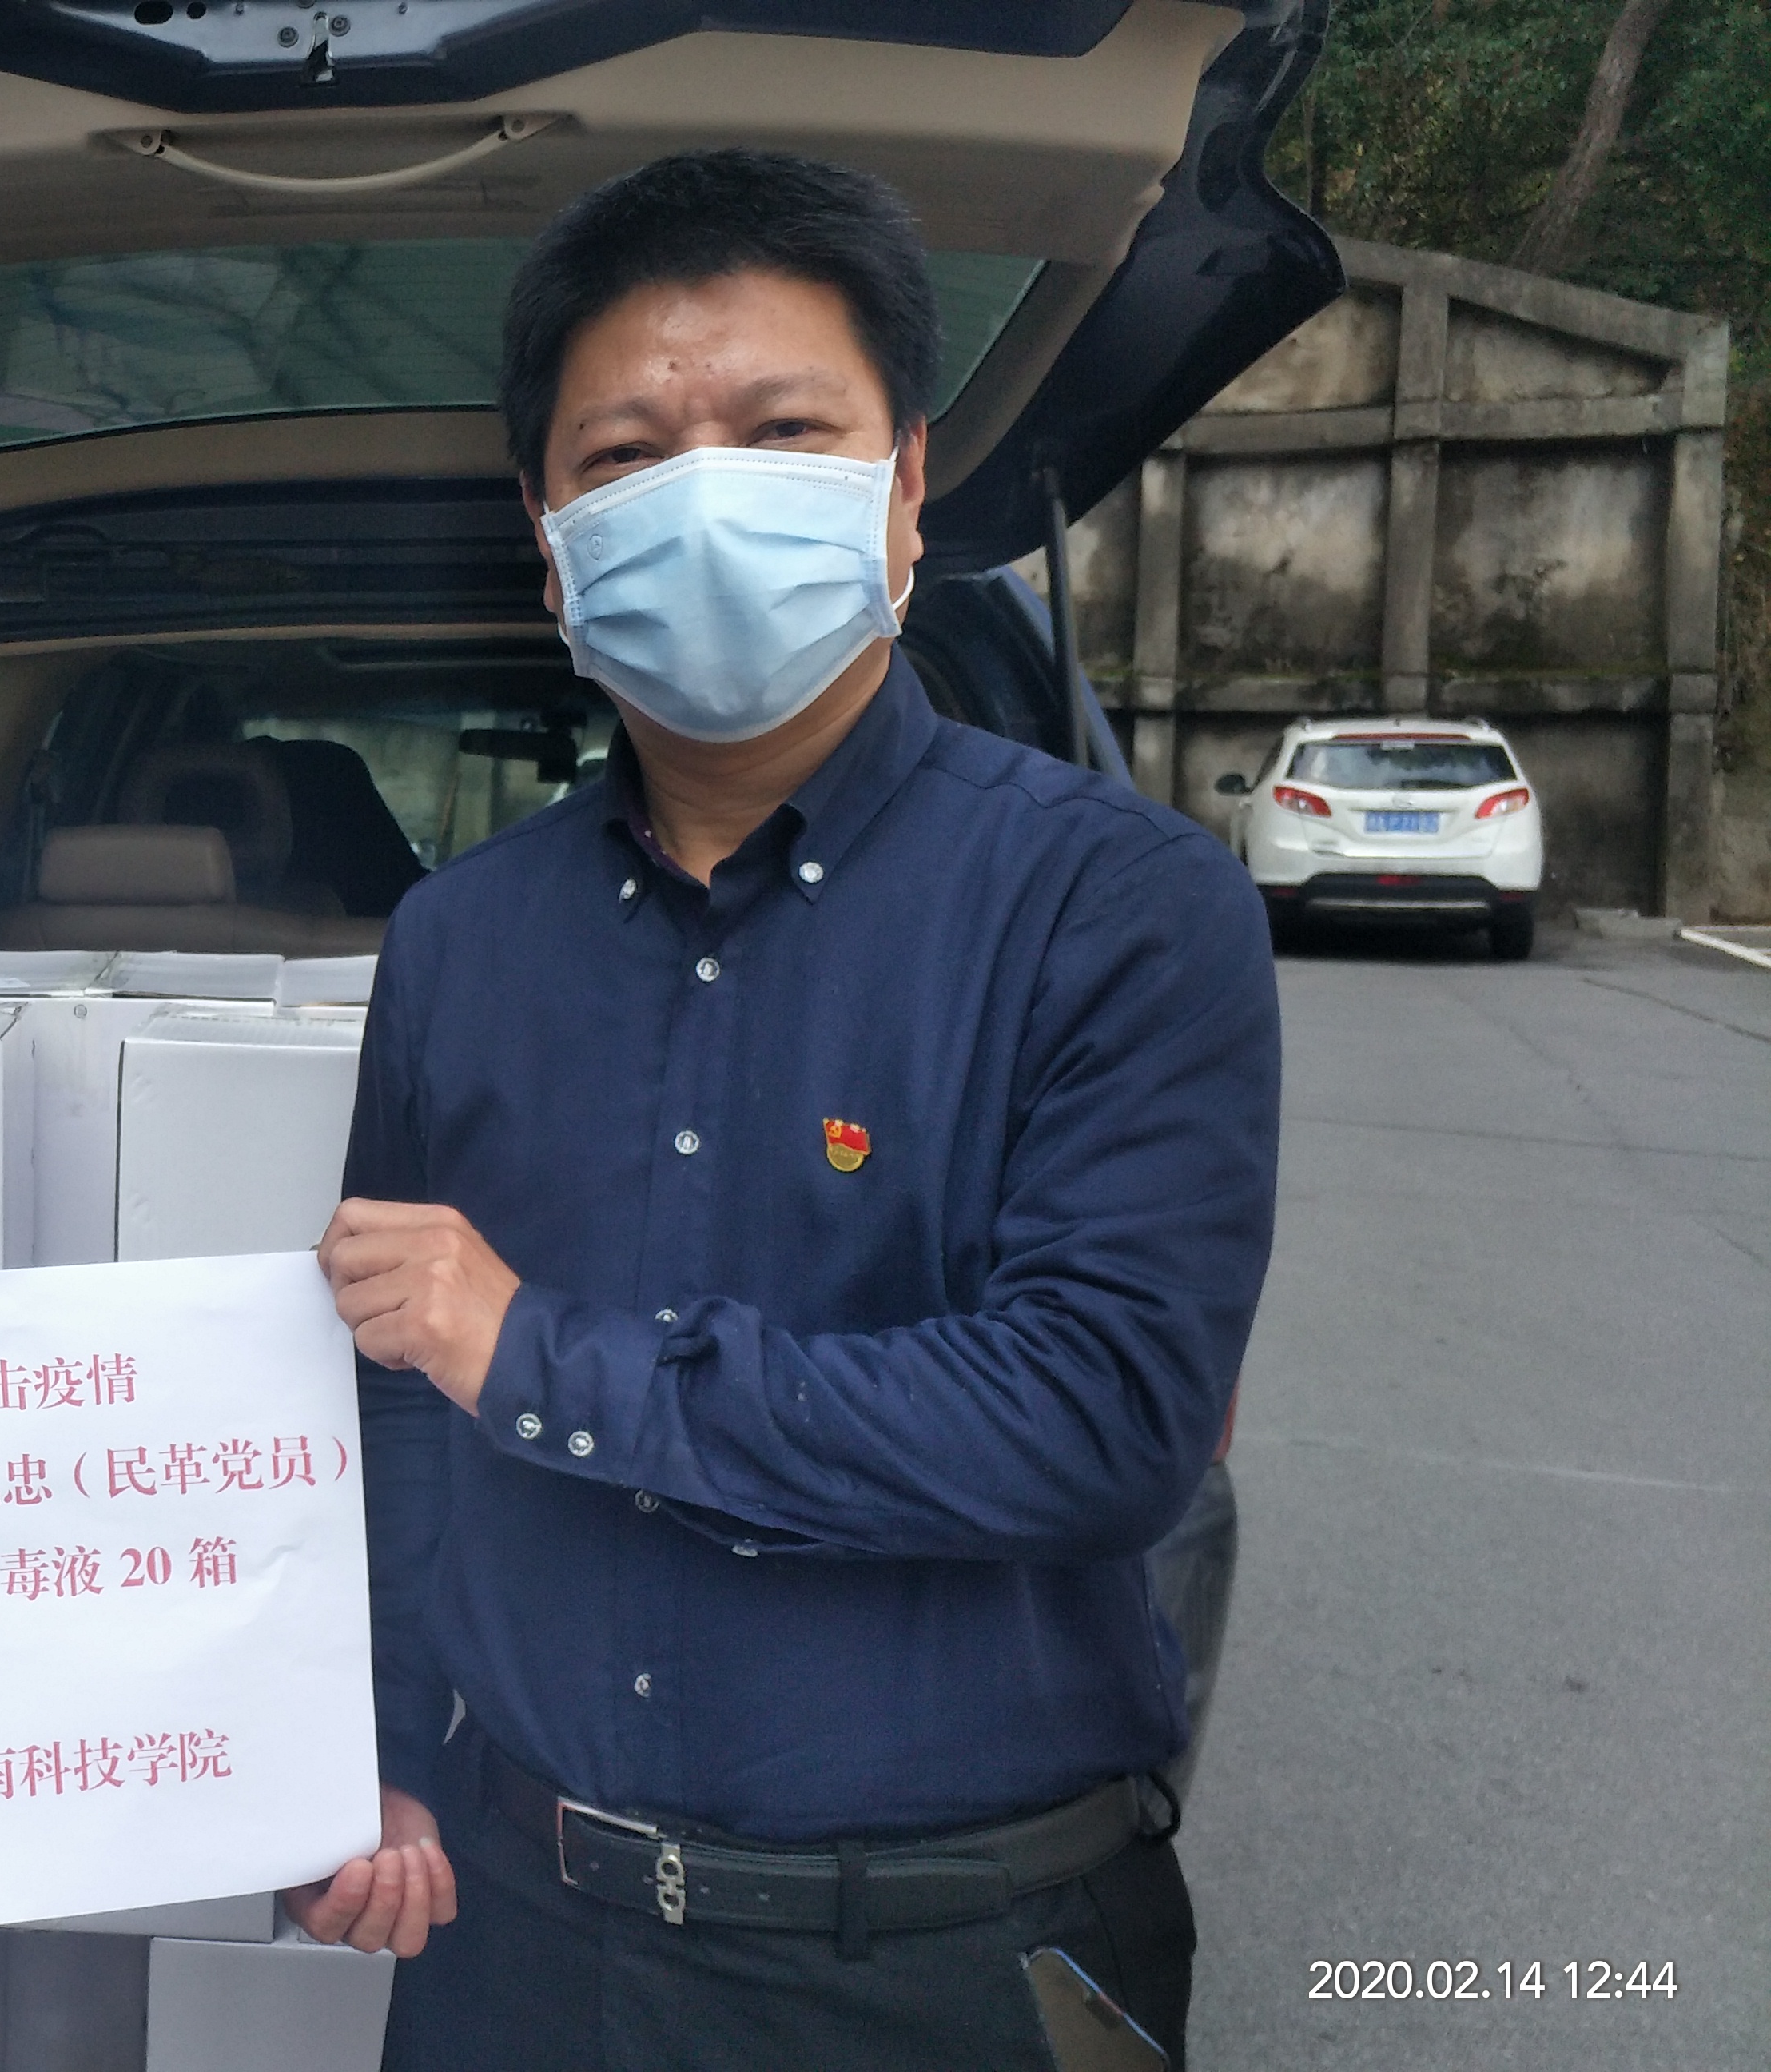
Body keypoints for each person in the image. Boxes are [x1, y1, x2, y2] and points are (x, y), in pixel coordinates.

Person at [285, 150, 1277, 2066]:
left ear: (905, 483)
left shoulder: (1122, 908)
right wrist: (379, 1750)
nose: (704, 494)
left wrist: (540, 1357)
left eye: (781, 430)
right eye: (626, 456)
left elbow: (1103, 1421)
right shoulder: (459, 941)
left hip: (957, 1959)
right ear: (550, 534)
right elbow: (396, 1399)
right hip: (517, 1945)